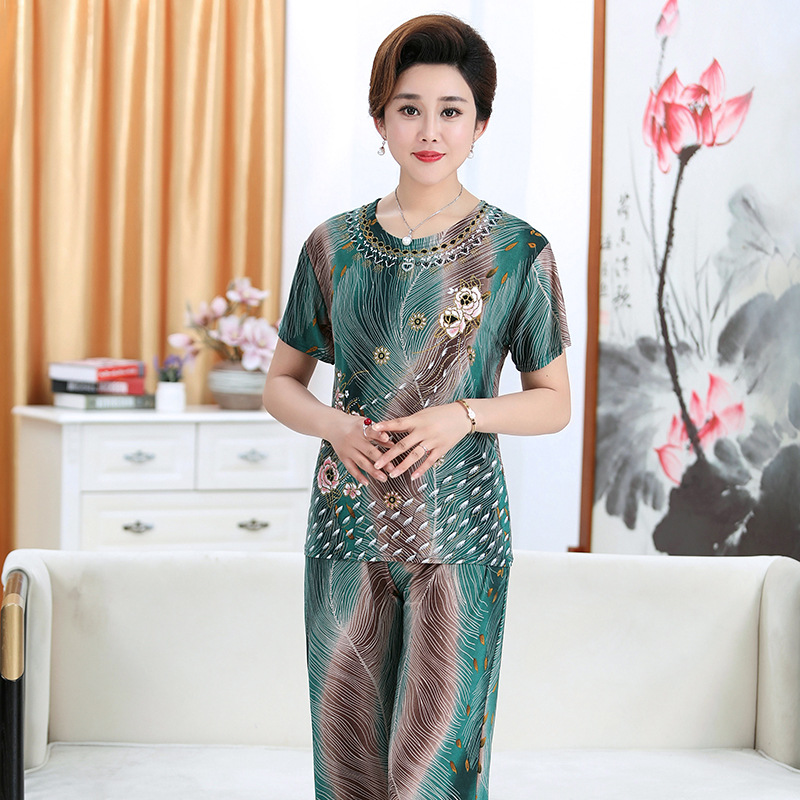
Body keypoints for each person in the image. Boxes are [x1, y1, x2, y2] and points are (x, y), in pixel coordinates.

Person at [262, 13, 571, 800]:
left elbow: (552, 404)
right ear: (380, 119)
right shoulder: (331, 246)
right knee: (347, 763)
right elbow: (281, 383)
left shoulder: (518, 252)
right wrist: (334, 425)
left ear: (481, 123)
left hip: (461, 535)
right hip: (346, 527)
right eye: (409, 108)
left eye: (450, 110)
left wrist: (463, 415)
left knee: (437, 768)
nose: (429, 130)